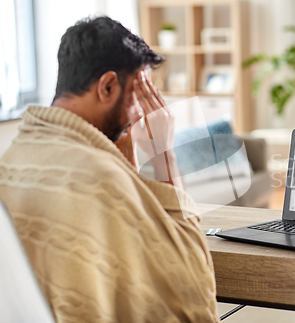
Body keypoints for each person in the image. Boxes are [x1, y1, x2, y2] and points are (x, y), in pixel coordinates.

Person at [0, 17, 219, 322]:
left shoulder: (11, 158)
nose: (142, 112)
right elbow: (191, 292)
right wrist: (163, 156)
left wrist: (124, 153)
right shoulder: (99, 179)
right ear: (107, 87)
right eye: (140, 94)